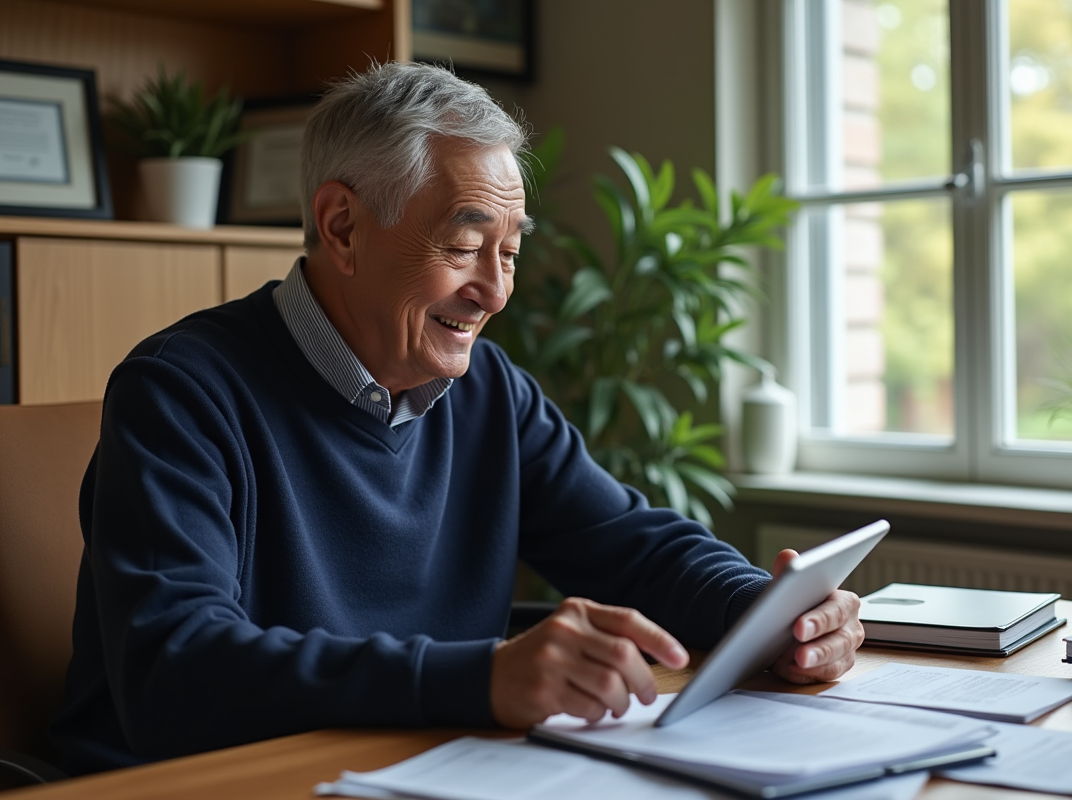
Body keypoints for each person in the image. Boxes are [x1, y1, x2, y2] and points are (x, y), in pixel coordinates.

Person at [51, 61, 863, 775]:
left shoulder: (488, 392)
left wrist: (765, 612)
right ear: (342, 227)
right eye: (466, 244)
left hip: (417, 769)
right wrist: (481, 678)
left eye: (509, 252)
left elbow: (630, 545)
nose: (496, 290)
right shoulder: (182, 391)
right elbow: (174, 671)